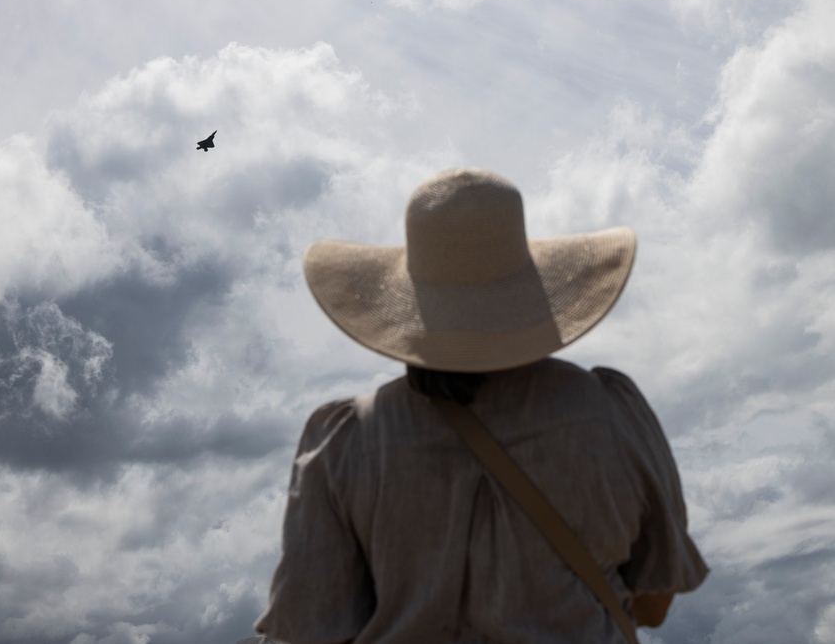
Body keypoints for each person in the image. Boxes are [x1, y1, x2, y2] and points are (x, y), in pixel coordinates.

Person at [254, 168, 708, 643]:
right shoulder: (612, 413)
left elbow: (312, 627)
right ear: (527, 287)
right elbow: (655, 603)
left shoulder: (347, 438)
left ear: (413, 300)